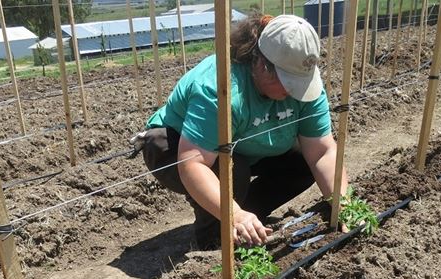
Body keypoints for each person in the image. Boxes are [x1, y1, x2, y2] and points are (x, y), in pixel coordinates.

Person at [139, 13, 348, 249]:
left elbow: (322, 152)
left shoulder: (305, 86)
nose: (295, 92)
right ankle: (214, 238)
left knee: (302, 161)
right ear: (262, 65)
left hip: (241, 145)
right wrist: (234, 215)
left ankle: (250, 220)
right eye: (288, 82)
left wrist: (343, 205)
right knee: (232, 168)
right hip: (175, 146)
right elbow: (193, 163)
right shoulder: (220, 89)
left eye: (300, 83)